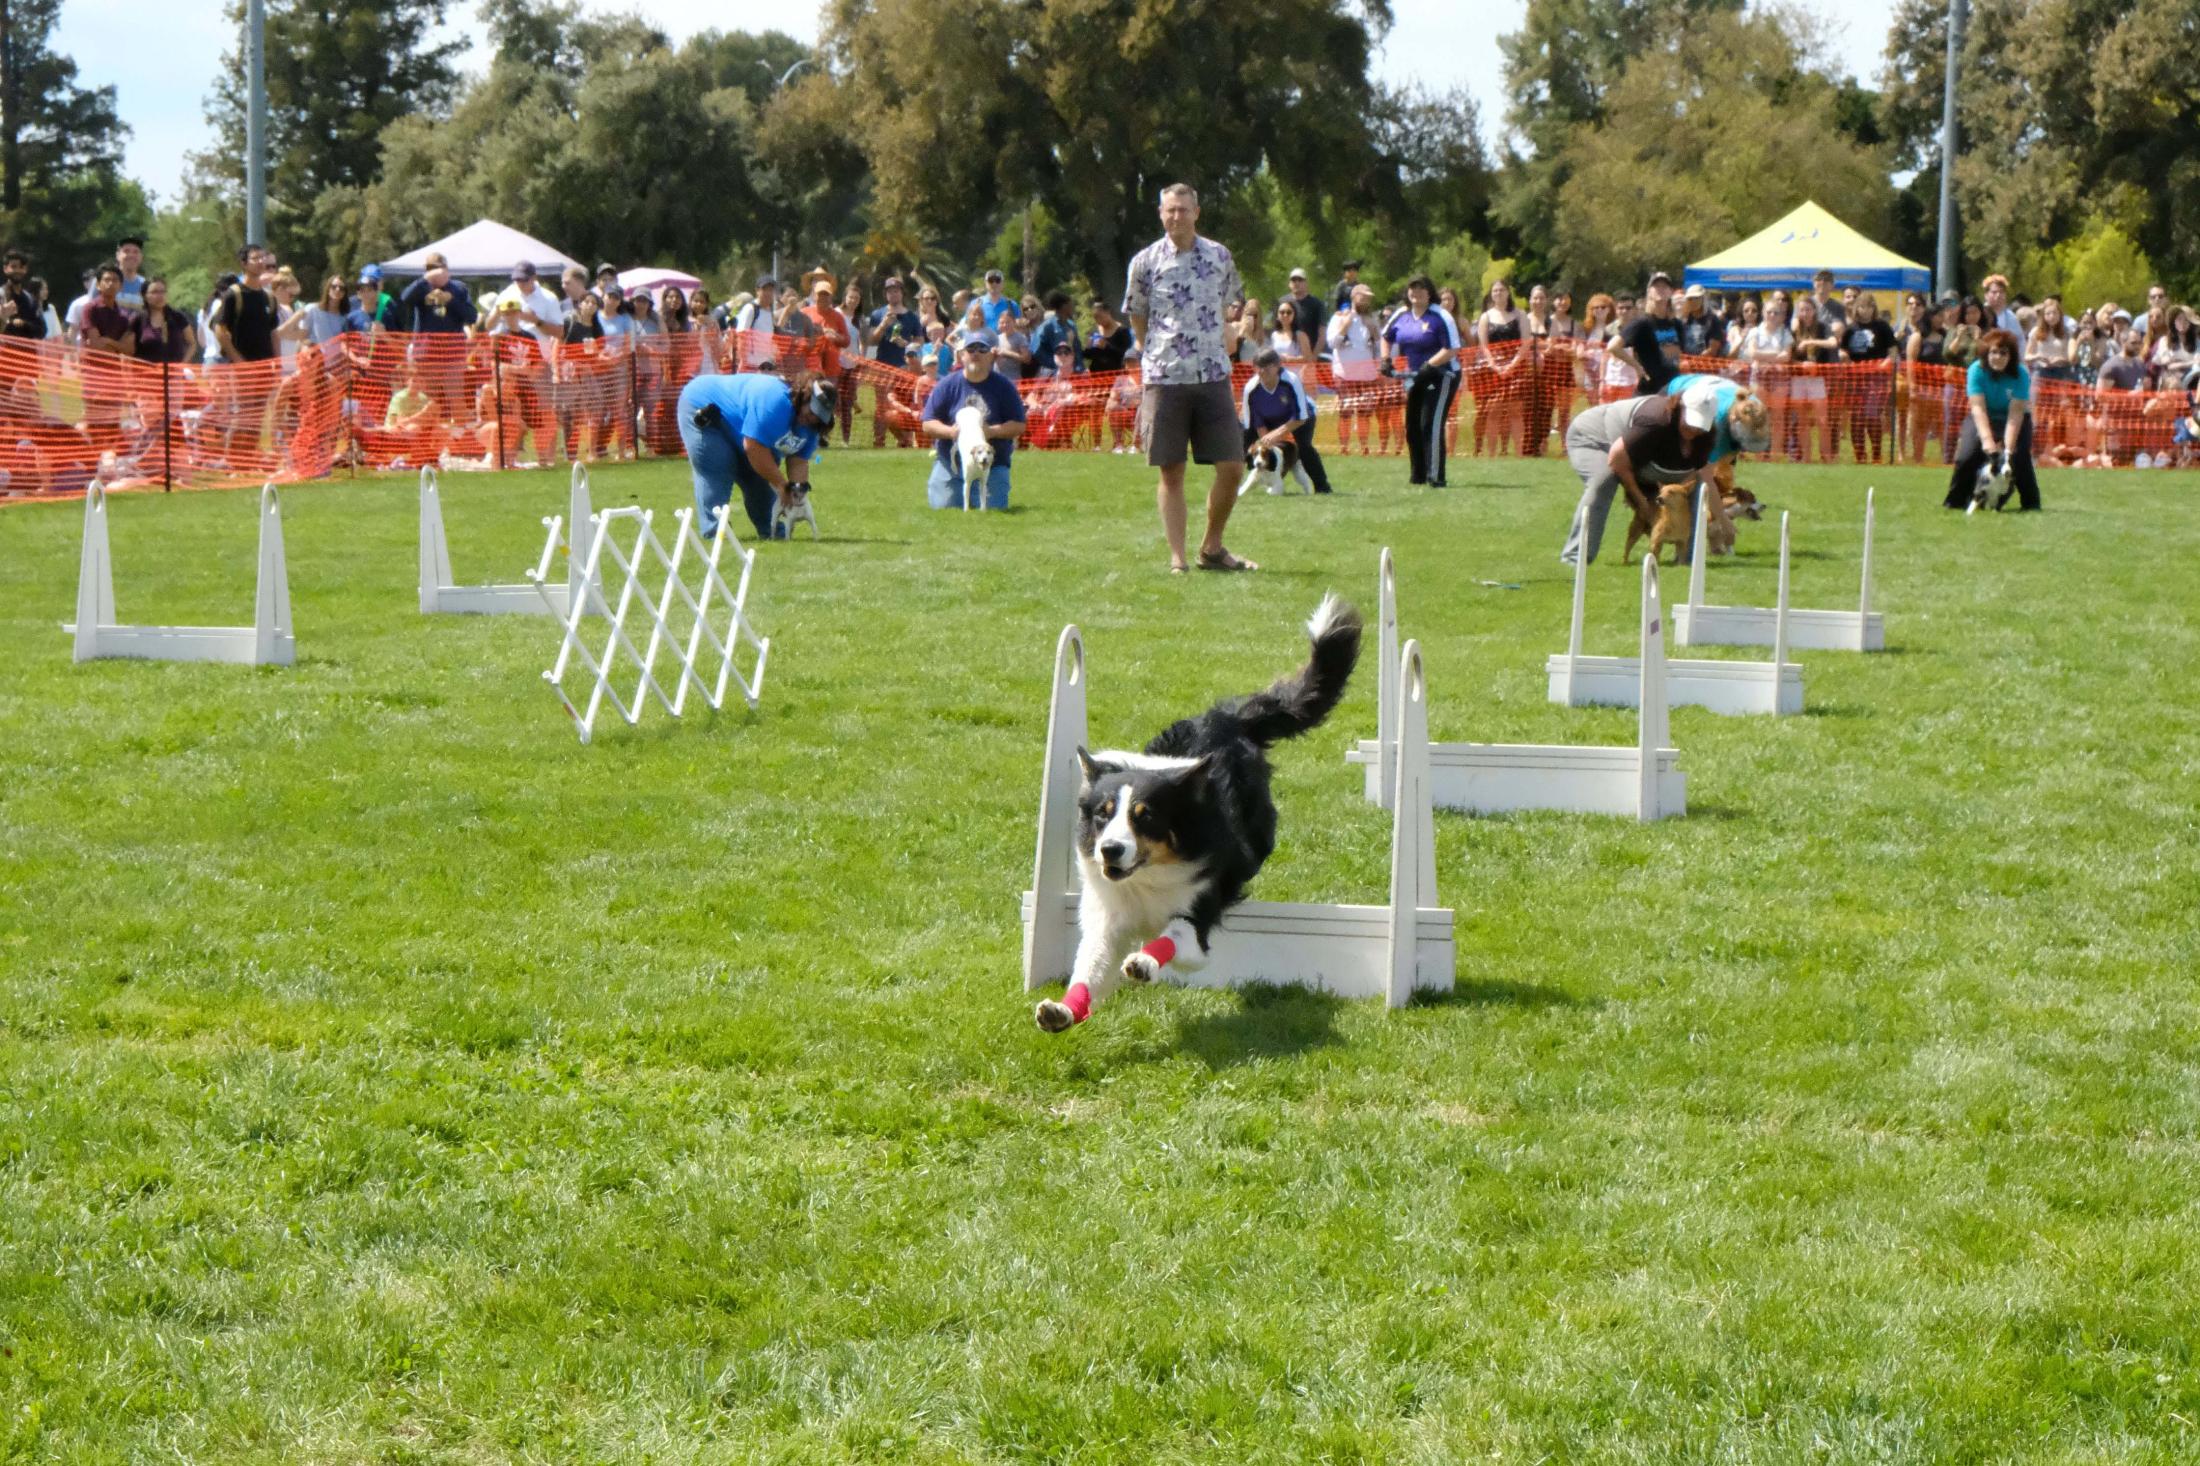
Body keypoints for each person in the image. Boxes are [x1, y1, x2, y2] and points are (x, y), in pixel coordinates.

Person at [1122, 181, 1254, 572]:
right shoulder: (1144, 262)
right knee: (1172, 469)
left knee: (1232, 466)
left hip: (1213, 373)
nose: (1176, 216)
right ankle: (1178, 559)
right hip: (1165, 376)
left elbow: (1235, 304)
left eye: (1183, 209)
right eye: (1169, 210)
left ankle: (1212, 548)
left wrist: (1229, 333)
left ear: (1197, 212)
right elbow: (1137, 316)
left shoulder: (1219, 256)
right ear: (1161, 214)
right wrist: (1154, 354)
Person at [1558, 384, 1736, 565]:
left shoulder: (1706, 436)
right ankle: (1575, 558)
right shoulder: (1655, 421)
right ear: (1680, 407)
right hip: (1594, 436)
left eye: (1700, 425)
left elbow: (1704, 477)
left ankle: (1687, 560)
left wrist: (1723, 520)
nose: (1694, 430)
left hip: (1640, 458)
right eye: (1690, 422)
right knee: (1604, 480)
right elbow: (1617, 460)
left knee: (1692, 488)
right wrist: (1642, 502)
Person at [677, 368, 834, 540]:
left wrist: (796, 494)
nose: (812, 418)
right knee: (718, 464)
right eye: (811, 411)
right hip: (703, 406)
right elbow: (754, 448)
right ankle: (716, 532)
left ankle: (772, 531)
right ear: (804, 398)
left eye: (819, 416)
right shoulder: (775, 402)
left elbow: (798, 460)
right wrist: (782, 485)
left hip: (741, 428)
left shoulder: (811, 427)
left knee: (758, 475)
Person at [920, 328, 1027, 508]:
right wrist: (950, 432)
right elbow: (927, 423)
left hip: (992, 464)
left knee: (993, 508)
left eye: (982, 349)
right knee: (944, 506)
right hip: (951, 463)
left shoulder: (1004, 387)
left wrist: (991, 432)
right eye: (971, 349)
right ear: (962, 355)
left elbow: (1019, 425)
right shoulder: (947, 385)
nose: (976, 353)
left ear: (992, 355)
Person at [1943, 329, 2038, 510]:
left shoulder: (2021, 374)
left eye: (2004, 353)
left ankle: (2031, 504)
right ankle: (1954, 502)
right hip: (1983, 415)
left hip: (2013, 418)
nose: (1998, 357)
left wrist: (2008, 450)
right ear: (1986, 353)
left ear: (2011, 356)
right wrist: (1987, 441)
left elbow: (2016, 413)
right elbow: (1977, 407)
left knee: (2019, 457)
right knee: (1967, 455)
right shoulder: (1976, 371)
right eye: (1994, 352)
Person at [1382, 274, 1462, 487]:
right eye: (1412, 289)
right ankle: (1418, 475)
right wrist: (1385, 360)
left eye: (1421, 289)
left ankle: (1436, 477)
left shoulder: (1441, 316)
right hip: (1415, 377)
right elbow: (1385, 337)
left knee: (1430, 424)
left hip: (1442, 375)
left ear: (1429, 293)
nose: (1415, 293)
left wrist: (1430, 364)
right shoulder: (1401, 314)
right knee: (1412, 425)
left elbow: (1452, 348)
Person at [1239, 347, 1332, 493]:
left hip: (1299, 418)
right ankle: (1233, 486)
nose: (1262, 371)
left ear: (1277, 366)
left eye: (1267, 367)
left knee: (1304, 446)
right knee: (1242, 443)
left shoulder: (1291, 381)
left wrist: (1276, 434)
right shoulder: (1251, 388)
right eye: (1258, 367)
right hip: (1269, 418)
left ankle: (1322, 487)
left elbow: (1300, 417)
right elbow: (1254, 420)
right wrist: (1265, 439)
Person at [1327, 283, 1386, 454]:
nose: (1367, 300)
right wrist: (1346, 324)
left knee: (1364, 412)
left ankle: (1364, 447)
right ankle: (1344, 447)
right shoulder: (1338, 318)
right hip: (1344, 374)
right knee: (1345, 413)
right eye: (1363, 296)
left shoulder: (1371, 320)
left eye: (1369, 297)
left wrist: (1374, 330)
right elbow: (1332, 343)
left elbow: (1378, 347)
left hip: (1367, 375)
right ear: (1354, 297)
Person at [1838, 291, 1897, 463]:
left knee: (1872, 415)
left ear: (1874, 308)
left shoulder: (1882, 327)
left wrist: (1886, 363)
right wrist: (1844, 357)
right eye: (1862, 307)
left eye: (1870, 306)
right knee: (1856, 418)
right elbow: (1843, 349)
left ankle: (1876, 454)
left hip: (1876, 378)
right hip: (1855, 380)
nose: (1866, 310)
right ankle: (1860, 455)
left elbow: (1893, 350)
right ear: (1857, 308)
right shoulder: (1850, 329)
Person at [865, 276, 922, 446]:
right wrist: (883, 324)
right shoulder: (878, 314)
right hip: (883, 365)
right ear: (885, 294)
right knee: (882, 405)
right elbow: (871, 340)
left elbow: (919, 341)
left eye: (896, 291)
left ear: (902, 293)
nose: (893, 294)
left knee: (903, 406)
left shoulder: (911, 316)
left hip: (904, 367)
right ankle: (879, 440)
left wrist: (908, 344)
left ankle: (904, 439)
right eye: (890, 291)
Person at [1474, 279, 1528, 457]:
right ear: (1491, 294)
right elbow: (1484, 346)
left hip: (1517, 368)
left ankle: (1519, 454)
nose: (1498, 293)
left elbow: (1526, 343)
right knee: (1493, 411)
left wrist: (1512, 365)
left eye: (1502, 290)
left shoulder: (1520, 315)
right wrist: (1495, 366)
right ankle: (1491, 455)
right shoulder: (1486, 317)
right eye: (1495, 290)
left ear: (1508, 292)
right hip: (1493, 370)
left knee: (1516, 411)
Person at [1788, 295, 1838, 461]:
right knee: (1802, 421)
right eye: (1801, 310)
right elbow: (1788, 356)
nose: (1805, 313)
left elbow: (1833, 342)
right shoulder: (1793, 330)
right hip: (1799, 378)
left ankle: (1826, 457)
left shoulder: (1823, 327)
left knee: (1822, 420)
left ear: (1814, 310)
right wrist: (1800, 364)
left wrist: (1812, 342)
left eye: (1808, 309)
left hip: (1817, 378)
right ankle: (1807, 457)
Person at [211, 244, 279, 362]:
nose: (261, 261)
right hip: (243, 370)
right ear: (244, 263)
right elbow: (219, 329)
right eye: (255, 258)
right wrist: (238, 360)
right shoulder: (234, 294)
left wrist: (278, 361)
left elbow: (273, 331)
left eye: (263, 257)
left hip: (266, 367)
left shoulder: (269, 297)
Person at [1618, 271, 1683, 395]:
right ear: (1649, 292)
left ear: (1671, 292)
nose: (1661, 289)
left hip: (1672, 389)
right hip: (1648, 391)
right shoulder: (1642, 322)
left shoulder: (1676, 324)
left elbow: (1676, 354)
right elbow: (1613, 346)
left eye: (1665, 286)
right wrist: (1637, 367)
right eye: (1656, 286)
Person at [130, 278, 197, 364]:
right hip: (145, 374)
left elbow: (192, 343)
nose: (160, 296)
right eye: (154, 292)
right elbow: (127, 349)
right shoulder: (138, 319)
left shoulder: (177, 317)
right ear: (144, 296)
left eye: (163, 292)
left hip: (174, 373)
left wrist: (183, 364)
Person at [1031, 290, 1082, 375]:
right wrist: (1055, 363)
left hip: (1073, 373)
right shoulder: (1047, 326)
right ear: (1064, 306)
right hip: (1054, 375)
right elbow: (1036, 349)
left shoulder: (1071, 325)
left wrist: (1079, 368)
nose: (1072, 307)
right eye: (1070, 304)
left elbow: (1077, 349)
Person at [734, 276, 779, 369]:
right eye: (764, 289)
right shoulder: (750, 309)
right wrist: (743, 361)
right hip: (751, 364)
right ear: (757, 291)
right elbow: (741, 335)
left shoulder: (770, 312)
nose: (768, 293)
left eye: (770, 290)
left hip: (767, 364)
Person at [0, 250, 43, 339]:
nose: (17, 270)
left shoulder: (30, 299)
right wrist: (8, 321)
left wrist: (24, 324)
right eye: (13, 267)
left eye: (21, 267)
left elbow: (42, 330)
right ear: (5, 269)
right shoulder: (1, 295)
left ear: (25, 269)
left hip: (27, 351)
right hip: (5, 351)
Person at [1282, 267, 1327, 353]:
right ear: (1289, 284)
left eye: (1300, 280)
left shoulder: (1317, 304)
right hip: (1286, 356)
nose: (1296, 283)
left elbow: (1322, 334)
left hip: (1309, 356)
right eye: (1293, 280)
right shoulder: (1282, 303)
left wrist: (1313, 357)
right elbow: (1277, 330)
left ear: (1306, 283)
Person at [1677, 284, 1726, 359]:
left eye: (1696, 298)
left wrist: (1693, 361)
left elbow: (1713, 351)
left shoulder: (1712, 320)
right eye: (1690, 298)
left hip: (1705, 366)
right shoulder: (1685, 319)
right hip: (1685, 364)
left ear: (1703, 299)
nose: (1693, 301)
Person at [1085, 300, 1133, 374]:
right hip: (1096, 374)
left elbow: (1126, 355)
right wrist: (1088, 348)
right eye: (1095, 318)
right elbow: (1089, 356)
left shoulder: (1122, 331)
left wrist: (1107, 347)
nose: (1098, 321)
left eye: (1099, 316)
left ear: (1108, 312)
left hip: (1115, 375)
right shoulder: (1095, 331)